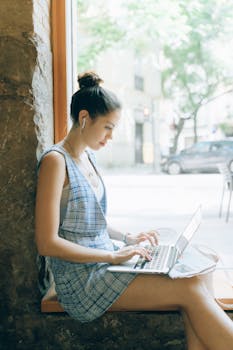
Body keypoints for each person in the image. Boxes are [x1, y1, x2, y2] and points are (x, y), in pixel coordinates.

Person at [35, 71, 233, 350]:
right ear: (84, 118)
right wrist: (113, 255)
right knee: (189, 288)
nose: (111, 136)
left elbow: (94, 222)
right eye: (107, 127)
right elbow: (47, 243)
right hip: (83, 281)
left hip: (106, 264)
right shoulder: (56, 162)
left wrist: (128, 239)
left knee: (199, 273)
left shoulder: (87, 157)